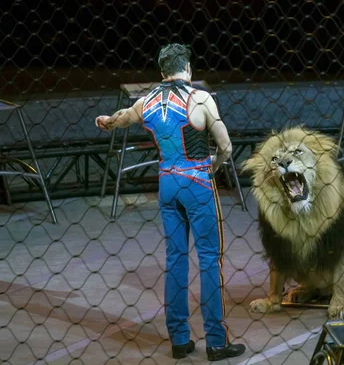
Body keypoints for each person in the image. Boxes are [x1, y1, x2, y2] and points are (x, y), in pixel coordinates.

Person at [95, 43, 246, 361]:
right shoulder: (200, 98)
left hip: (167, 185)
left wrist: (108, 120)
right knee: (209, 261)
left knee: (176, 259)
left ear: (161, 72)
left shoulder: (146, 101)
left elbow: (122, 118)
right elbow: (227, 147)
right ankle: (216, 342)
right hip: (197, 183)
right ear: (188, 68)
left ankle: (179, 340)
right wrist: (212, 168)